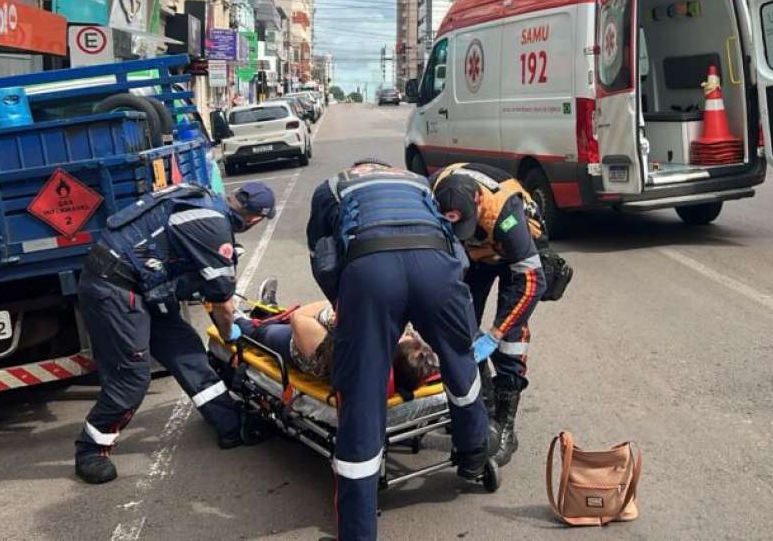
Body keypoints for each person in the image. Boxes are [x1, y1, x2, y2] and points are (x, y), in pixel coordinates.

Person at [306, 160, 491, 541]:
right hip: (436, 267)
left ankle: (358, 531)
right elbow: (456, 252)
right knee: (461, 361)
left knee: (362, 393)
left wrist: (347, 307)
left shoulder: (332, 187)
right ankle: (474, 452)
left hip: (371, 269)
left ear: (358, 169)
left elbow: (322, 257)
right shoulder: (418, 183)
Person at [73, 182, 276, 485]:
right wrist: (230, 335)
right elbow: (221, 301)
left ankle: (229, 425)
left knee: (186, 349)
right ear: (256, 219)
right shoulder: (213, 225)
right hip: (114, 288)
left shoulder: (204, 201)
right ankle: (90, 450)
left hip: (143, 285)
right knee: (132, 378)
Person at [430, 163, 548, 468]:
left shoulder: (506, 212)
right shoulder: (432, 189)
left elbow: (533, 282)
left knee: (511, 339)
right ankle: (480, 407)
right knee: (460, 327)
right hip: (473, 256)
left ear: (478, 200)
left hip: (511, 256)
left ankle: (505, 425)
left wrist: (495, 334)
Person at [234, 298, 440, 395]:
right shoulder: (415, 361)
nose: (405, 332)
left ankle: (239, 320)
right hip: (325, 335)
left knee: (264, 332)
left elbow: (300, 317)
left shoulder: (333, 353)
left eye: (403, 336)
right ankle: (267, 308)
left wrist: (339, 308)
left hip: (297, 346)